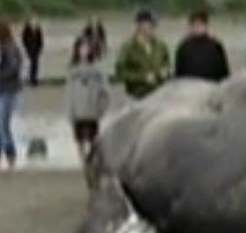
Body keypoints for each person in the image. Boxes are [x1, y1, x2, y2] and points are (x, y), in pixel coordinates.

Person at [66, 33, 110, 185]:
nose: (83, 51)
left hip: (92, 111)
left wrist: (101, 108)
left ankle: (93, 167)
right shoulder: (72, 69)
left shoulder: (97, 69)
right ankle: (86, 166)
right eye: (81, 47)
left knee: (92, 141)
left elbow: (105, 91)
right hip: (77, 111)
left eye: (86, 47)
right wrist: (69, 111)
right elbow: (69, 92)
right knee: (79, 141)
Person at [0, 19, 25, 171]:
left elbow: (14, 69)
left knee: (2, 124)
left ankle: (10, 155)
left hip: (7, 90)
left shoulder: (11, 48)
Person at [114, 9, 170, 99]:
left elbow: (166, 63)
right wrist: (142, 77)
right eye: (151, 24)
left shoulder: (161, 46)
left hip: (160, 94)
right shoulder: (128, 47)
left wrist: (165, 71)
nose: (154, 27)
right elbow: (120, 73)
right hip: (137, 95)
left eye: (154, 25)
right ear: (140, 25)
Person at [172, 9, 231, 82]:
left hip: (212, 88)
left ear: (206, 26)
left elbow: (224, 73)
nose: (198, 27)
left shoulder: (216, 46)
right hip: (189, 89)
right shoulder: (183, 47)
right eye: (195, 25)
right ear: (190, 26)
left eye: (201, 24)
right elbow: (178, 75)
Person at [21, 16, 45, 86]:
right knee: (32, 64)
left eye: (35, 21)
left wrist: (40, 48)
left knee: (35, 64)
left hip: (36, 49)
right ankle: (32, 79)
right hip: (30, 49)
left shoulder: (38, 29)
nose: (34, 22)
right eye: (33, 21)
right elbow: (24, 39)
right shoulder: (27, 28)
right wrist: (26, 47)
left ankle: (34, 79)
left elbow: (40, 39)